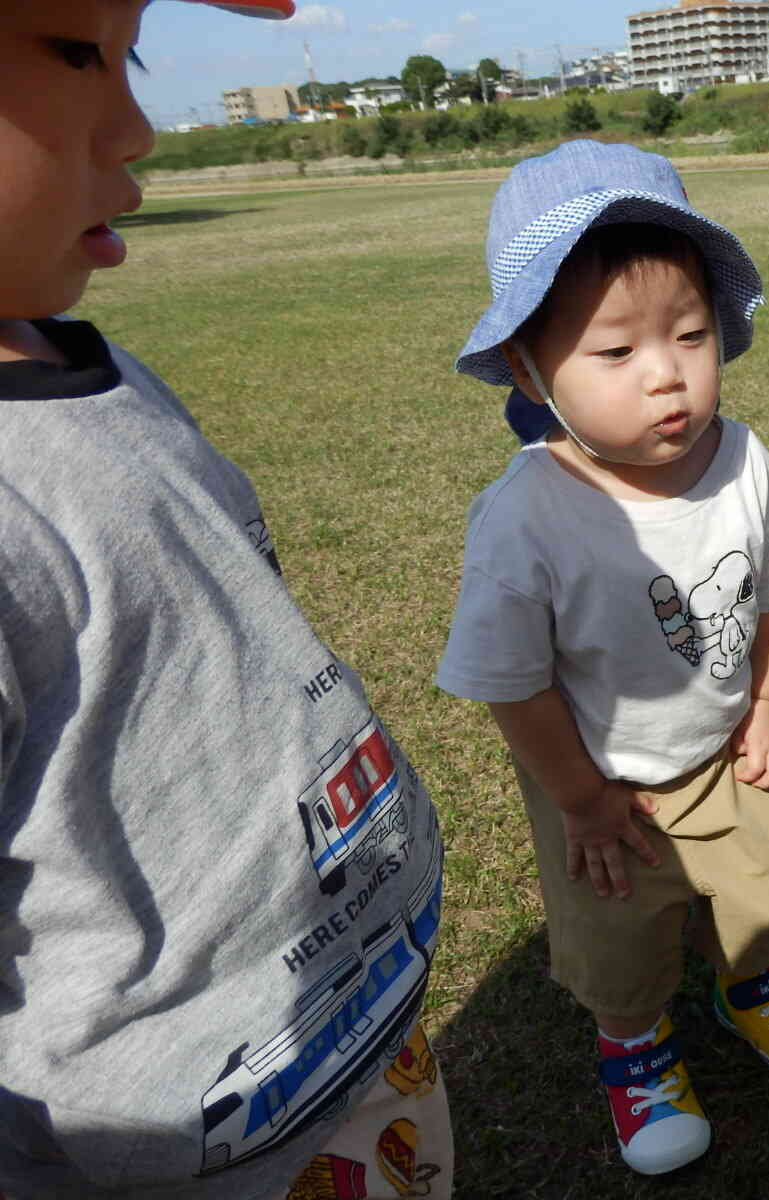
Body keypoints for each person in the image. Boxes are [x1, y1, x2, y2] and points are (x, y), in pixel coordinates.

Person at [0, 3, 451, 1199]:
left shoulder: (86, 364)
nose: (138, 125)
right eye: (79, 50)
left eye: (131, 52)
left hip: (347, 1045)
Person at [436, 140, 769, 1176]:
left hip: (728, 744)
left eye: (693, 335)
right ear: (531, 369)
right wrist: (577, 797)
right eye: (614, 354)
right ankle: (636, 1049)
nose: (667, 374)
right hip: (602, 782)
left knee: (762, 883)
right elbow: (513, 682)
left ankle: (751, 986)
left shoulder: (744, 459)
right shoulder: (526, 517)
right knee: (619, 939)